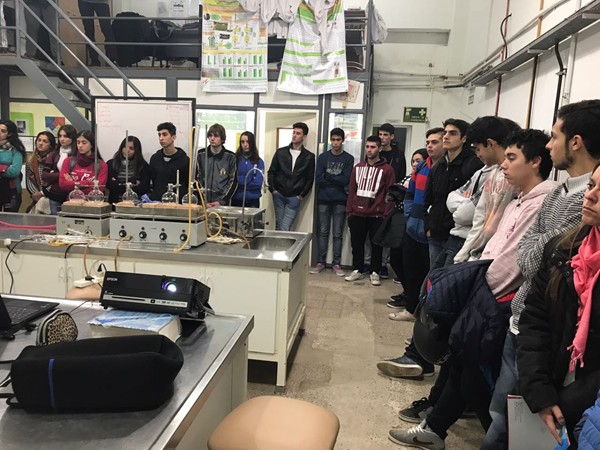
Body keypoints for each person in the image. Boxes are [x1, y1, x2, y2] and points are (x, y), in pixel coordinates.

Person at [389, 128, 556, 450]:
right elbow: (485, 233)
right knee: (465, 366)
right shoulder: (518, 199)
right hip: (486, 289)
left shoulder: (542, 203)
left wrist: (478, 289)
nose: (503, 164)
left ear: (535, 162)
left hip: (500, 300)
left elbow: (515, 261)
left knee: (477, 376)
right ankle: (435, 427)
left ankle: (448, 429)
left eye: (511, 158)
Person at [482, 99, 600, 450]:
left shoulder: (574, 207)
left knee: (519, 429)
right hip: (527, 326)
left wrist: (539, 248)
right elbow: (531, 257)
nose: (549, 146)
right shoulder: (560, 192)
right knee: (504, 416)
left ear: (575, 142)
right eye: (592, 187)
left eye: (555, 136)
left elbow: (533, 259)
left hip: (565, 364)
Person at [517, 162, 600, 448]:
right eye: (592, 186)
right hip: (549, 387)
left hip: (587, 403)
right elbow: (535, 320)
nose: (590, 196)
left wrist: (571, 400)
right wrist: (539, 392)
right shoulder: (563, 249)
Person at [388, 128, 444, 310]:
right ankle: (411, 307)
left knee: (428, 273)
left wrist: (431, 225)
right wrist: (409, 216)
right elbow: (409, 194)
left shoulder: (446, 169)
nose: (430, 146)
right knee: (409, 268)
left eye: (434, 142)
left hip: (432, 233)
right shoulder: (421, 168)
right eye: (428, 142)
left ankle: (423, 311)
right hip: (413, 228)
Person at [344, 135, 395, 286]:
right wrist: (349, 211)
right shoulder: (357, 167)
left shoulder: (387, 169)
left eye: (373, 147)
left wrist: (386, 214)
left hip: (377, 215)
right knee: (357, 244)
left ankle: (375, 272)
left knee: (376, 245)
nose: (369, 150)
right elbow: (352, 190)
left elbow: (390, 193)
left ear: (379, 149)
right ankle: (358, 270)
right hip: (357, 213)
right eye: (367, 147)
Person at [310, 127, 354, 276]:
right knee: (323, 232)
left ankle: (337, 263)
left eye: (338, 140)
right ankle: (321, 262)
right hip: (323, 199)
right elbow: (318, 179)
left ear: (343, 141)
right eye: (333, 140)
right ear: (330, 140)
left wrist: (328, 177)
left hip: (340, 200)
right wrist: (336, 179)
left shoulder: (348, 158)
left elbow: (346, 180)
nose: (335, 143)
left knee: (337, 233)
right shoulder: (323, 157)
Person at [267, 122, 315, 231]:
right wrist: (273, 189)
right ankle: (278, 243)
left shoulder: (309, 157)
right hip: (279, 194)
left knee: (285, 227)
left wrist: (301, 195)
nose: (294, 135)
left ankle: (282, 243)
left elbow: (310, 178)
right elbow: (271, 171)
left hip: (294, 197)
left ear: (304, 137)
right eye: (293, 132)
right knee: (279, 225)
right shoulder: (280, 152)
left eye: (298, 133)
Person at [197, 123, 237, 206]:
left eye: (216, 136)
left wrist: (222, 201)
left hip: (222, 203)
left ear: (222, 139)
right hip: (203, 202)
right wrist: (202, 200)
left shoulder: (231, 157)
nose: (212, 138)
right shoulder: (200, 154)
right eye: (210, 135)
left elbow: (233, 182)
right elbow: (196, 179)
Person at [40, 124, 77, 214]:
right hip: (55, 194)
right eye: (60, 136)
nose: (62, 139)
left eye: (65, 136)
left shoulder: (76, 155)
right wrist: (62, 175)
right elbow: (44, 175)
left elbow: (76, 175)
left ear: (72, 138)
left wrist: (53, 174)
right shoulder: (54, 154)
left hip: (72, 195)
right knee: (55, 219)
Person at [59, 130, 108, 196]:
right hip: (73, 201)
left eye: (84, 143)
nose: (80, 145)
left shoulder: (101, 165)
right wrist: (88, 183)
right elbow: (62, 185)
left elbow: (99, 189)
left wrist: (72, 183)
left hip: (93, 201)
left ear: (92, 145)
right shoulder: (68, 161)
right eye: (78, 142)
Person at [149, 122, 189, 201]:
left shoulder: (184, 160)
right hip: (157, 202)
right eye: (159, 135)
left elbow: (187, 183)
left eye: (164, 134)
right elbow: (154, 181)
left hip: (178, 203)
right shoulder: (155, 158)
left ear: (173, 137)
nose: (161, 138)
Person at [106, 136, 150, 204]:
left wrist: (118, 183)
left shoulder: (143, 166)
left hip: (135, 205)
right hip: (115, 204)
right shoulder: (111, 164)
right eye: (125, 147)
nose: (127, 150)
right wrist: (132, 182)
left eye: (131, 148)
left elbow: (143, 189)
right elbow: (110, 185)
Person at [77, 0, 117, 65]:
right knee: (89, 31)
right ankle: (94, 60)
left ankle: (111, 59)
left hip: (101, 2)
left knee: (106, 29)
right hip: (84, 2)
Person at [231, 131, 264, 208]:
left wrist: (241, 182)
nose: (245, 144)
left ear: (252, 143)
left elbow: (258, 183)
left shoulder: (259, 162)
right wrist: (249, 179)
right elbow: (232, 181)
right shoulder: (234, 160)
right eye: (242, 142)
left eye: (248, 142)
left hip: (253, 201)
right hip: (236, 199)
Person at [26, 131, 56, 213]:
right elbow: (29, 181)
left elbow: (56, 180)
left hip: (52, 195)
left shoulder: (55, 159)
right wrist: (36, 194)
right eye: (39, 140)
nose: (40, 143)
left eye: (45, 141)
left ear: (50, 145)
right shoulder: (31, 160)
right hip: (36, 196)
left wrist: (43, 193)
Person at [0, 119, 25, 212]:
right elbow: (9, 170)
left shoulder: (15, 150)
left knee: (10, 219)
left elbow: (14, 171)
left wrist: (1, 169)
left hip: (11, 192)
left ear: (9, 134)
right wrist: (5, 167)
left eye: (3, 131)